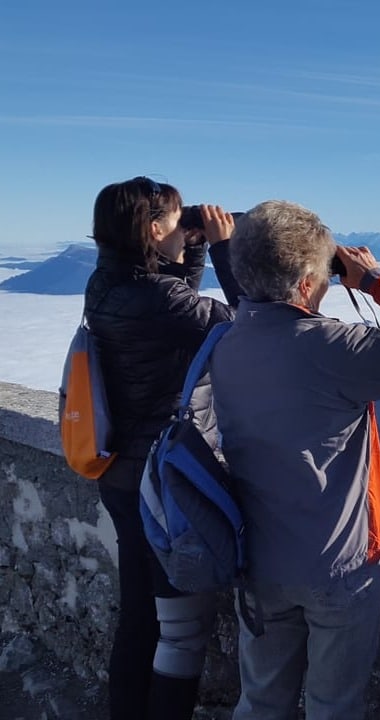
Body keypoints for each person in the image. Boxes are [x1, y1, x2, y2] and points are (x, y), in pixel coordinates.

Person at [209, 200, 380, 720]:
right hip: (336, 568)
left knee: (259, 704)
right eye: (321, 275)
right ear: (304, 284)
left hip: (257, 563)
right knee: (333, 708)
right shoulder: (331, 346)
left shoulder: (225, 341)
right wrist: (374, 282)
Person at [84, 176, 243, 719]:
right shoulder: (155, 298)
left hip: (122, 474)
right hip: (163, 481)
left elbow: (177, 302)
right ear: (152, 231)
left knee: (139, 617)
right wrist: (222, 248)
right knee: (179, 630)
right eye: (176, 221)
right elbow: (250, 328)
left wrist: (189, 239)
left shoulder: (107, 283)